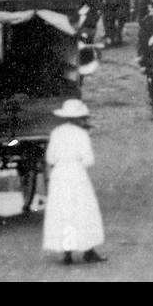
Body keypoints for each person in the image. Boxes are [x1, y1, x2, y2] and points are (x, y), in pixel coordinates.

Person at [43, 99, 107, 264]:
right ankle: (88, 250)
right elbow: (88, 160)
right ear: (79, 118)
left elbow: (50, 157)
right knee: (83, 210)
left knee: (64, 211)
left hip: (60, 175)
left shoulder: (56, 132)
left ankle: (68, 252)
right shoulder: (81, 134)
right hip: (76, 174)